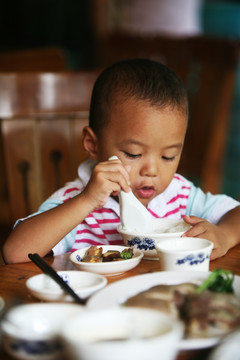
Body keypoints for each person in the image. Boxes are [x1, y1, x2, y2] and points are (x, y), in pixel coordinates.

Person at [3, 59, 240, 264]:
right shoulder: (76, 202)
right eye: (133, 154)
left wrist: (225, 236)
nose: (152, 170)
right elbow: (14, 252)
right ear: (92, 144)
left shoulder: (181, 196)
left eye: (168, 156)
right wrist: (86, 200)